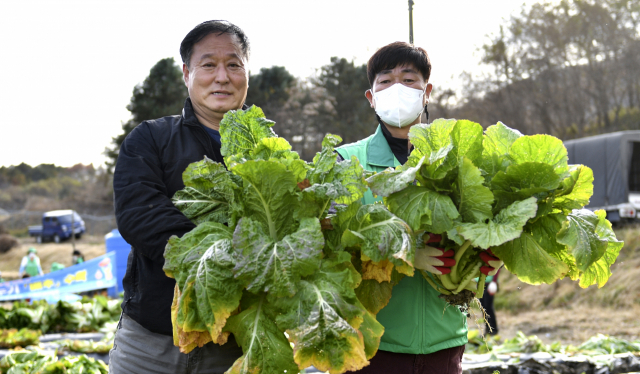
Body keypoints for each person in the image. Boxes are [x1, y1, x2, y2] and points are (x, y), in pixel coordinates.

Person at [335, 42, 502, 374]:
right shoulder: (347, 160)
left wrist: (485, 261)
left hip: (444, 339)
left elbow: (484, 223)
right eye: (385, 81)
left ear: (427, 91)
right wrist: (406, 256)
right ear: (371, 97)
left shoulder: (458, 158)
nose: (397, 88)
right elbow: (335, 245)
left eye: (408, 80)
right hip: (373, 342)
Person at [109, 20, 249, 374]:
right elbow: (141, 217)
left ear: (247, 73)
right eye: (208, 65)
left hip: (234, 346)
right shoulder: (150, 139)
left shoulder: (269, 152)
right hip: (150, 345)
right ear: (187, 73)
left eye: (233, 65)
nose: (222, 77)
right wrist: (235, 256)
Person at [479, 263, 501, 335]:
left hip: (489, 284)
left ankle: (493, 330)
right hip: (480, 283)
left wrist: (494, 281)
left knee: (488, 307)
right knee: (483, 307)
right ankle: (487, 329)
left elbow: (498, 266)